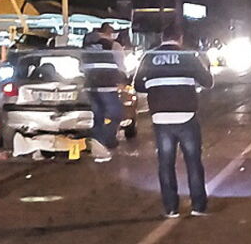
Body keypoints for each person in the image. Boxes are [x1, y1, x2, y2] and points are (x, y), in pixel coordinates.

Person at [134, 23, 214, 218]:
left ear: (163, 38)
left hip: (161, 118)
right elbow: (208, 82)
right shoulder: (189, 57)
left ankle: (171, 208)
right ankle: (198, 206)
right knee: (193, 162)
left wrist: (155, 88)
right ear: (180, 39)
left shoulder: (149, 57)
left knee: (165, 163)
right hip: (186, 116)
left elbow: (137, 85)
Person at [82, 22, 126, 162]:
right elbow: (120, 66)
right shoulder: (114, 46)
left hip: (90, 85)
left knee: (98, 116)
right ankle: (103, 140)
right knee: (117, 114)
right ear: (109, 33)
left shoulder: (87, 45)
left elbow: (81, 65)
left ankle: (101, 142)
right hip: (107, 84)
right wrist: (122, 81)